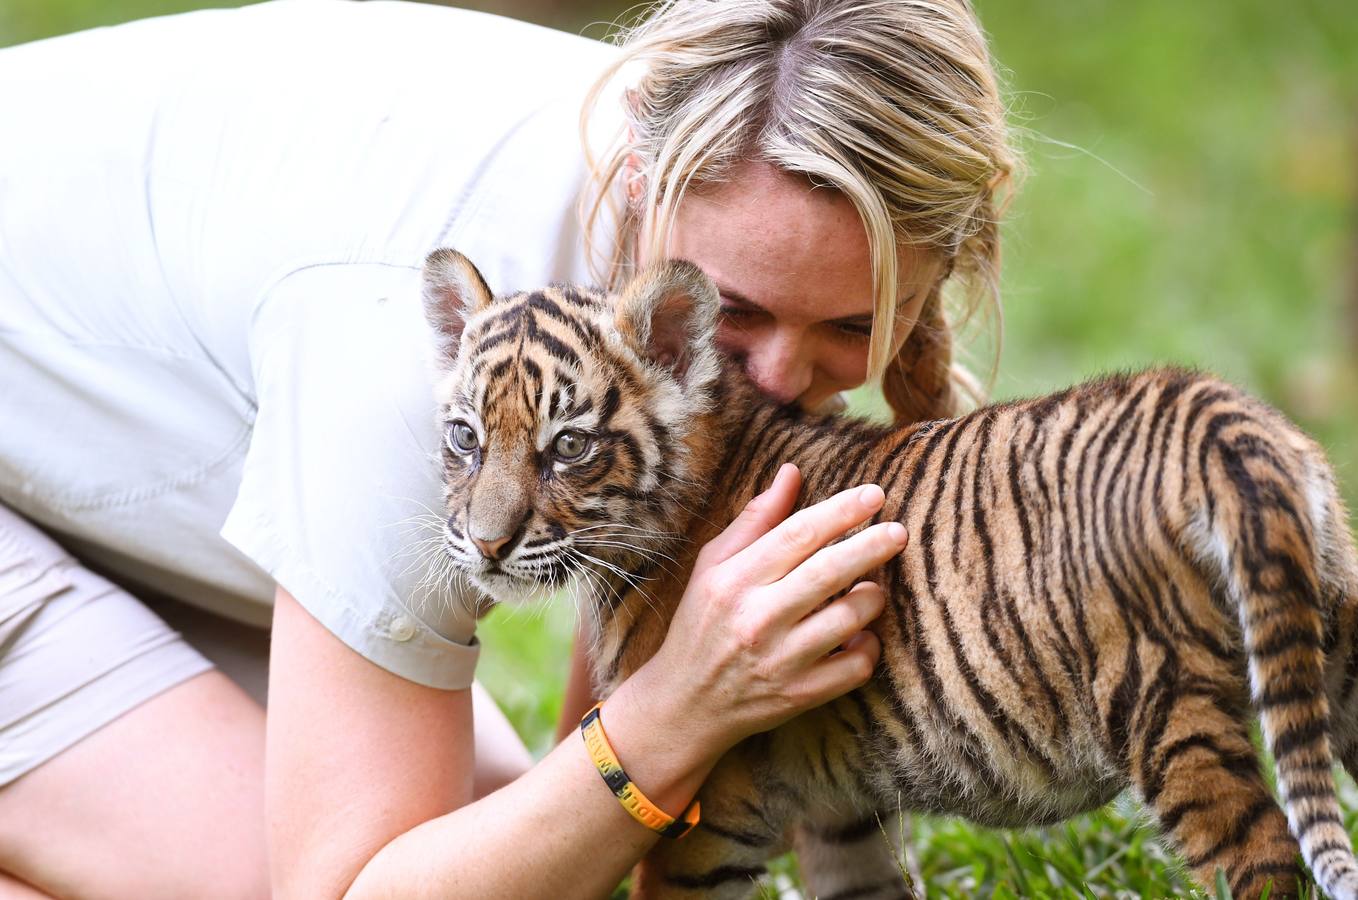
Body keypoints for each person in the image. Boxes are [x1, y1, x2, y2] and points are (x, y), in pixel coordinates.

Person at [0, 0, 1015, 897]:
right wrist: (673, 712)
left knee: (524, 831)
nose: (778, 382)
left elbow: (597, 760)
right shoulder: (421, 345)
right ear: (636, 181)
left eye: (849, 326)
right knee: (297, 875)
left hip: (107, 458)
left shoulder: (698, 203)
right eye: (736, 316)